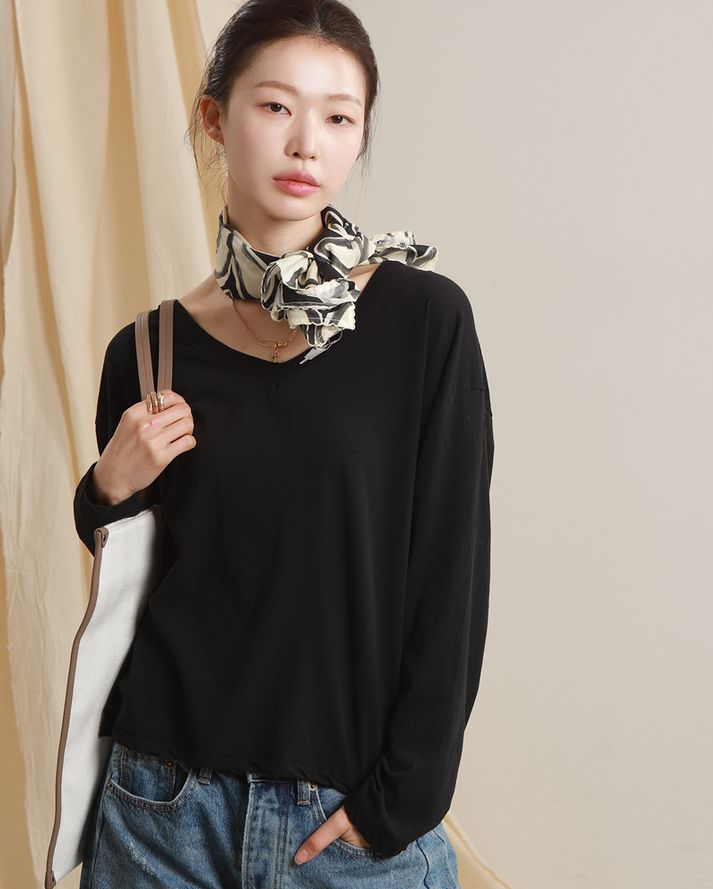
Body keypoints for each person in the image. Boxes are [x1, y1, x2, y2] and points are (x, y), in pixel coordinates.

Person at [75, 1, 494, 886]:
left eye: (339, 118)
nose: (307, 144)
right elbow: (144, 568)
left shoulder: (422, 322)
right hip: (160, 809)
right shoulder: (148, 349)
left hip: (345, 824)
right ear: (214, 118)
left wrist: (399, 803)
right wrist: (104, 489)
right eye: (275, 106)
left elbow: (451, 569)